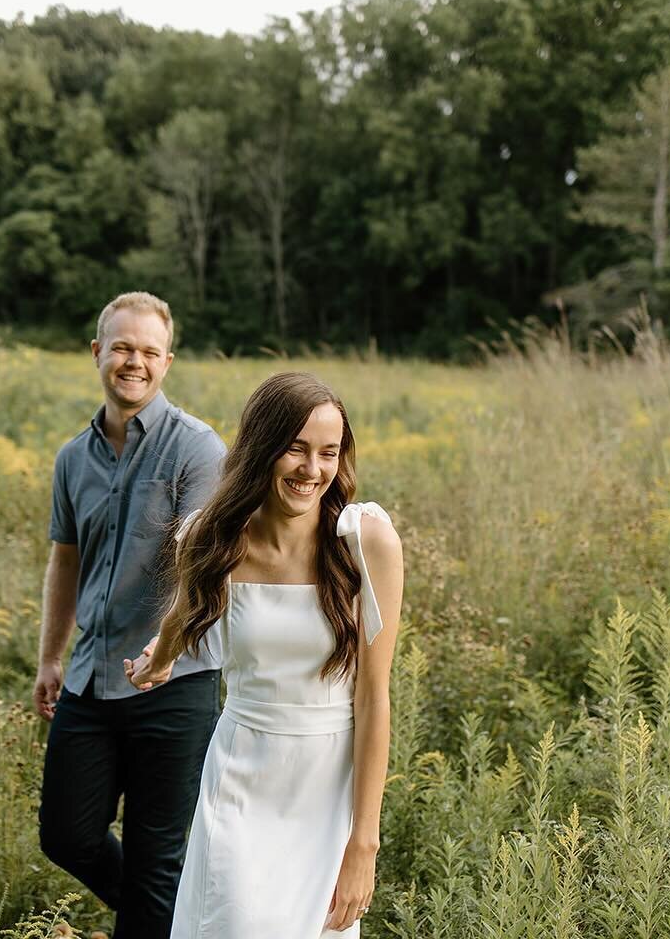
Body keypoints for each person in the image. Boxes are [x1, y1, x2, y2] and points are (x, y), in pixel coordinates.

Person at [125, 371, 404, 937]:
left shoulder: (365, 541)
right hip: (241, 774)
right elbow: (186, 609)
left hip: (326, 789)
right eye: (295, 449)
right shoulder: (212, 536)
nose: (312, 470)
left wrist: (363, 844)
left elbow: (374, 700)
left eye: (328, 453)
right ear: (261, 449)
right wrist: (161, 658)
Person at [33, 292, 227, 939]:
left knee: (155, 864)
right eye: (121, 347)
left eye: (148, 351)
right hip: (91, 680)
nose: (133, 362)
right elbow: (65, 562)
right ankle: (174, 921)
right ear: (97, 353)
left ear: (167, 362)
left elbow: (198, 563)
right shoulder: (71, 459)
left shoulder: (198, 451)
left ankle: (158, 916)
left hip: (175, 686)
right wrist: (51, 658)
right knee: (66, 835)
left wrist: (166, 646)